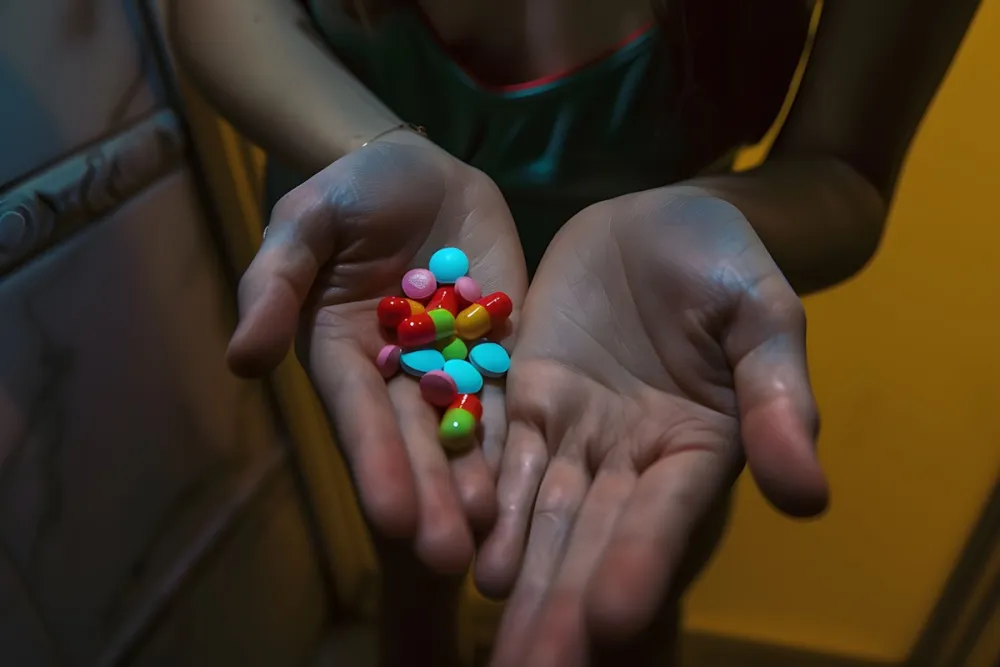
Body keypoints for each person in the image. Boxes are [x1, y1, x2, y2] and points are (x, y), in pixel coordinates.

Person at [168, 0, 980, 664]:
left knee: (620, 609)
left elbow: (845, 171)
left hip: (644, 351)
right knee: (416, 560)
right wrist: (378, 152)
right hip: (391, 298)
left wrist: (695, 223)